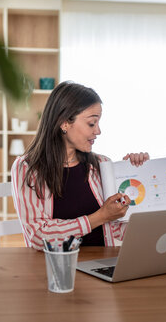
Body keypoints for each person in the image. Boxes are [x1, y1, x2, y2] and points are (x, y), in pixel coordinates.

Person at [11, 81, 149, 251]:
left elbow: (119, 230)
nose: (98, 131)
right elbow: (38, 237)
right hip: (55, 270)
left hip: (103, 266)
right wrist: (99, 217)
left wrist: (138, 173)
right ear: (64, 123)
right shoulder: (27, 168)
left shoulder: (102, 165)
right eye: (92, 123)